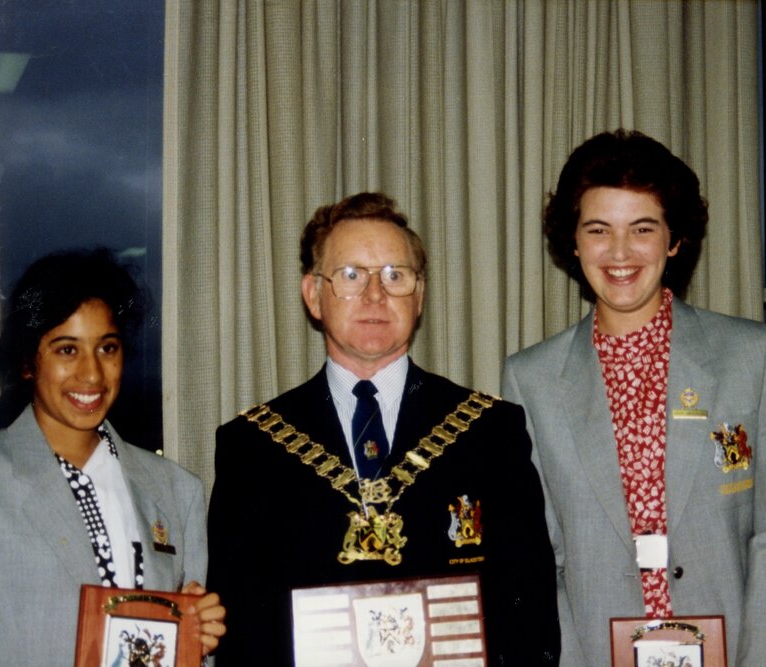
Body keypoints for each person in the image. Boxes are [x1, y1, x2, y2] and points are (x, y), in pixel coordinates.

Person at [501, 130, 766, 666]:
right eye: (598, 229)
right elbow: (539, 558)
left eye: (642, 229)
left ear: (675, 240)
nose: (619, 252)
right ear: (573, 242)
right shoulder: (530, 379)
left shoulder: (752, 356)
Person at [208, 192, 559, 665]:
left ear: (419, 296)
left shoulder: (489, 431)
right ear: (313, 295)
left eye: (396, 276)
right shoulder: (252, 446)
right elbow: (241, 629)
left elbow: (529, 608)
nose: (375, 295)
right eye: (351, 276)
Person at [0, 249, 226, 666]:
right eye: (67, 350)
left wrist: (196, 639)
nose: (92, 374)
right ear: (29, 362)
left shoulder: (178, 491)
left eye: (107, 348)